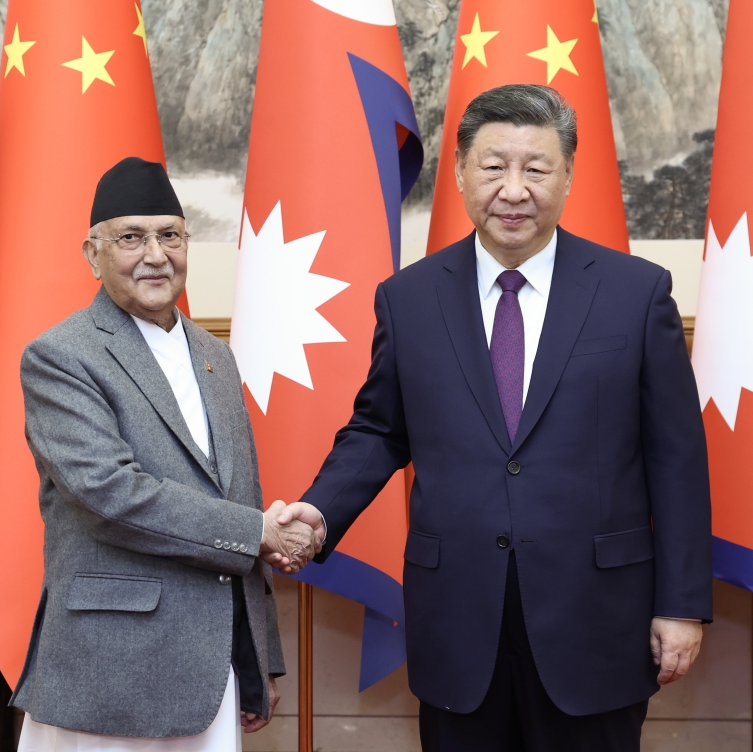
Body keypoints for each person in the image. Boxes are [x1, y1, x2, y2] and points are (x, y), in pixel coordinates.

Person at [274, 85, 713, 751]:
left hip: (595, 620)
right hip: (459, 621)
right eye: (493, 166)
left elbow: (676, 461)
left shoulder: (635, 294)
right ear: (459, 172)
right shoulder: (409, 299)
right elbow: (379, 430)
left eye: (536, 168)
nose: (514, 189)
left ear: (567, 175)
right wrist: (321, 508)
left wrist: (680, 605)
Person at [10, 156, 321, 750]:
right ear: (92, 253)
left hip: (214, 671)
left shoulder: (216, 356)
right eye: (131, 237)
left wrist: (259, 656)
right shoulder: (61, 356)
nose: (155, 255)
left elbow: (240, 495)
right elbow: (110, 496)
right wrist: (260, 531)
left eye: (170, 236)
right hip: (111, 671)